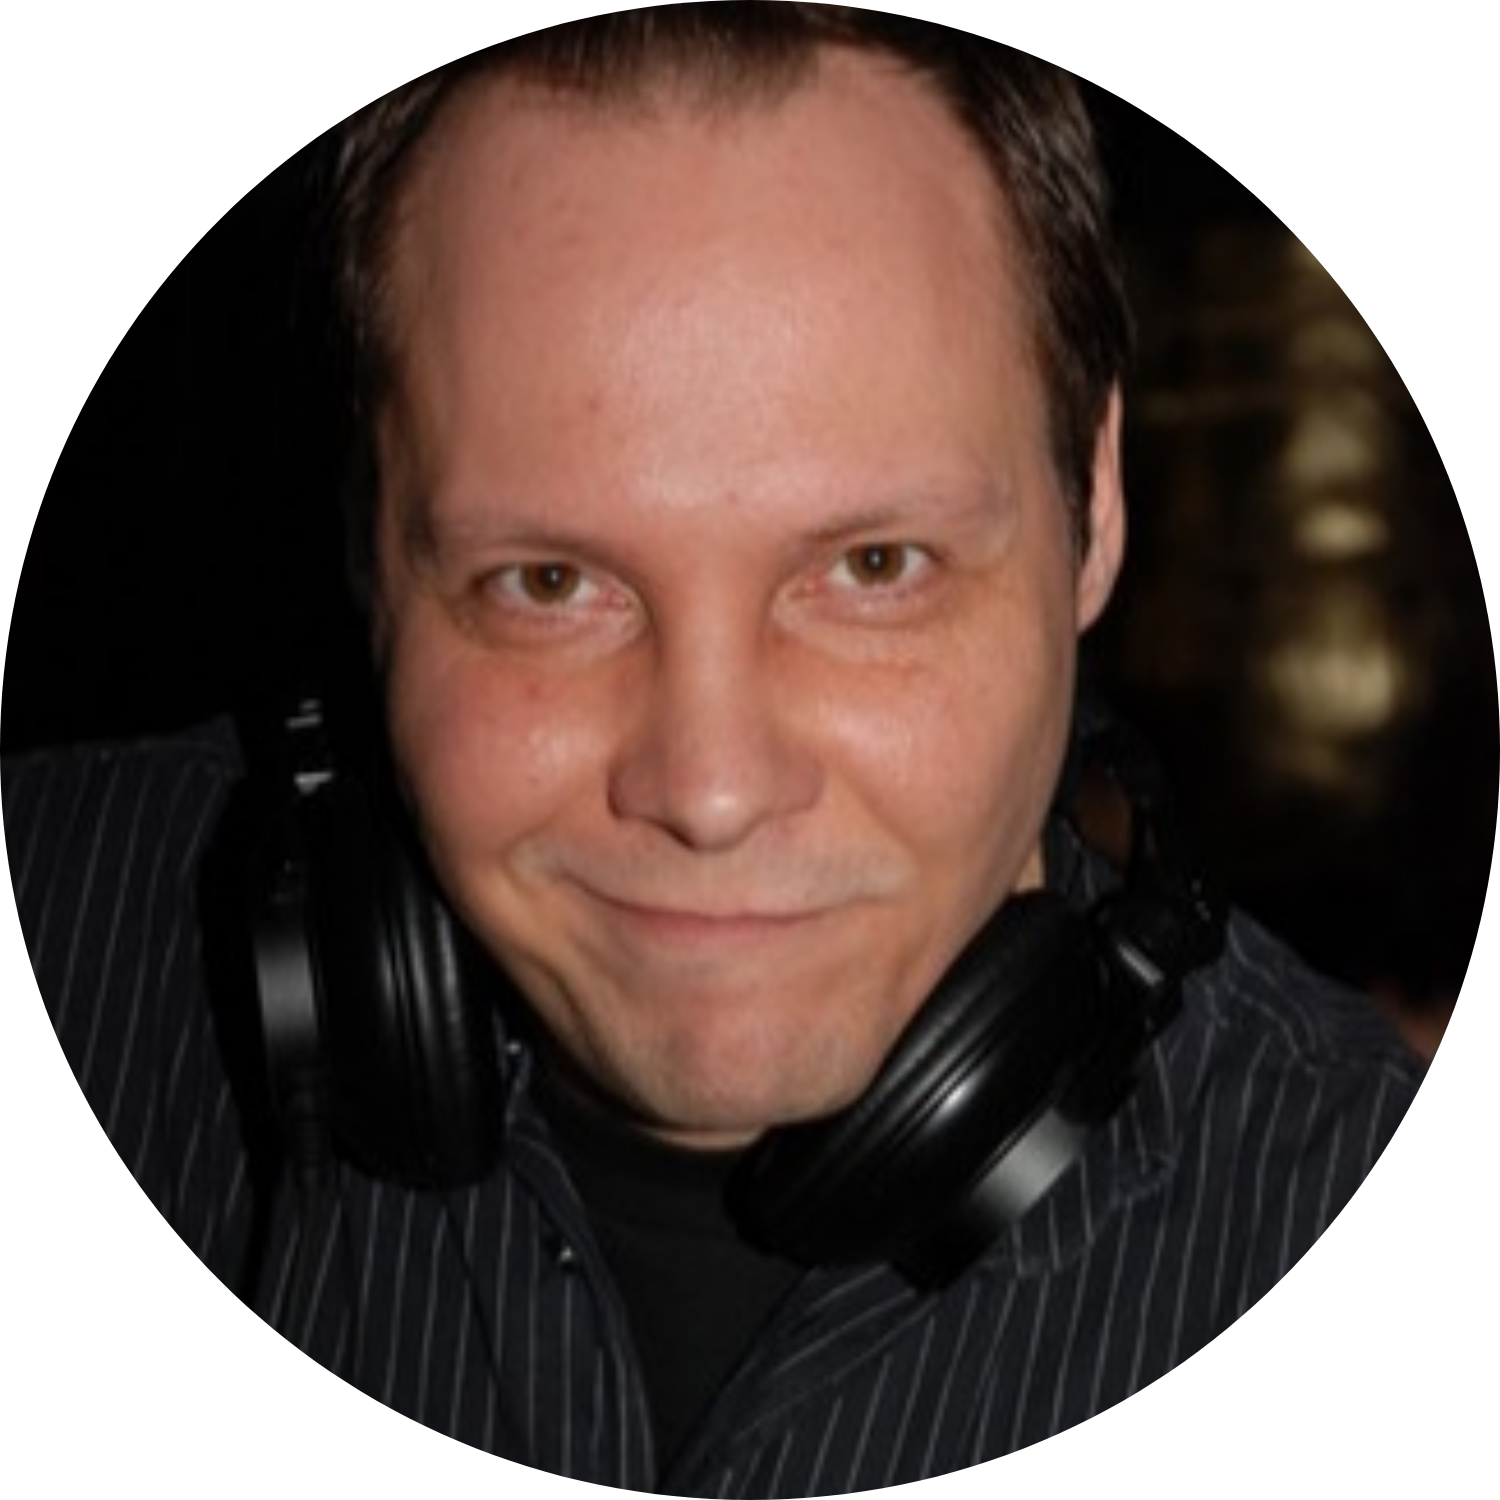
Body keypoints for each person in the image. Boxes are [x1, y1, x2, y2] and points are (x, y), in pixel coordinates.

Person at [4, 7, 1423, 1488]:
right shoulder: (66, 933)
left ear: (1095, 511)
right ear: (372, 547)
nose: (712, 789)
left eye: (873, 568)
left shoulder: (1320, 1183)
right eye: (549, 583)